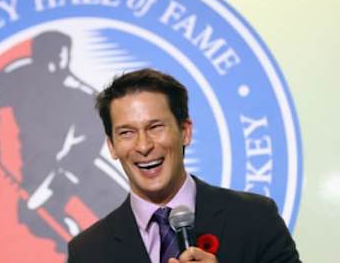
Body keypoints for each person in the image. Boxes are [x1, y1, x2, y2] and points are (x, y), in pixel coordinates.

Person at [67, 68, 301, 263]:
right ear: (112, 146)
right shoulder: (88, 252)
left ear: (185, 131)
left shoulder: (256, 219)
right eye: (127, 133)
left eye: (155, 127)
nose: (144, 146)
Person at [0, 31, 125, 253]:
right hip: (36, 166)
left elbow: (81, 152)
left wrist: (50, 189)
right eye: (46, 59)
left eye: (57, 59)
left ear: (66, 58)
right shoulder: (21, 79)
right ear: (36, 56)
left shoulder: (85, 97)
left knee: (122, 206)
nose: (51, 68)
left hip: (80, 166)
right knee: (35, 217)